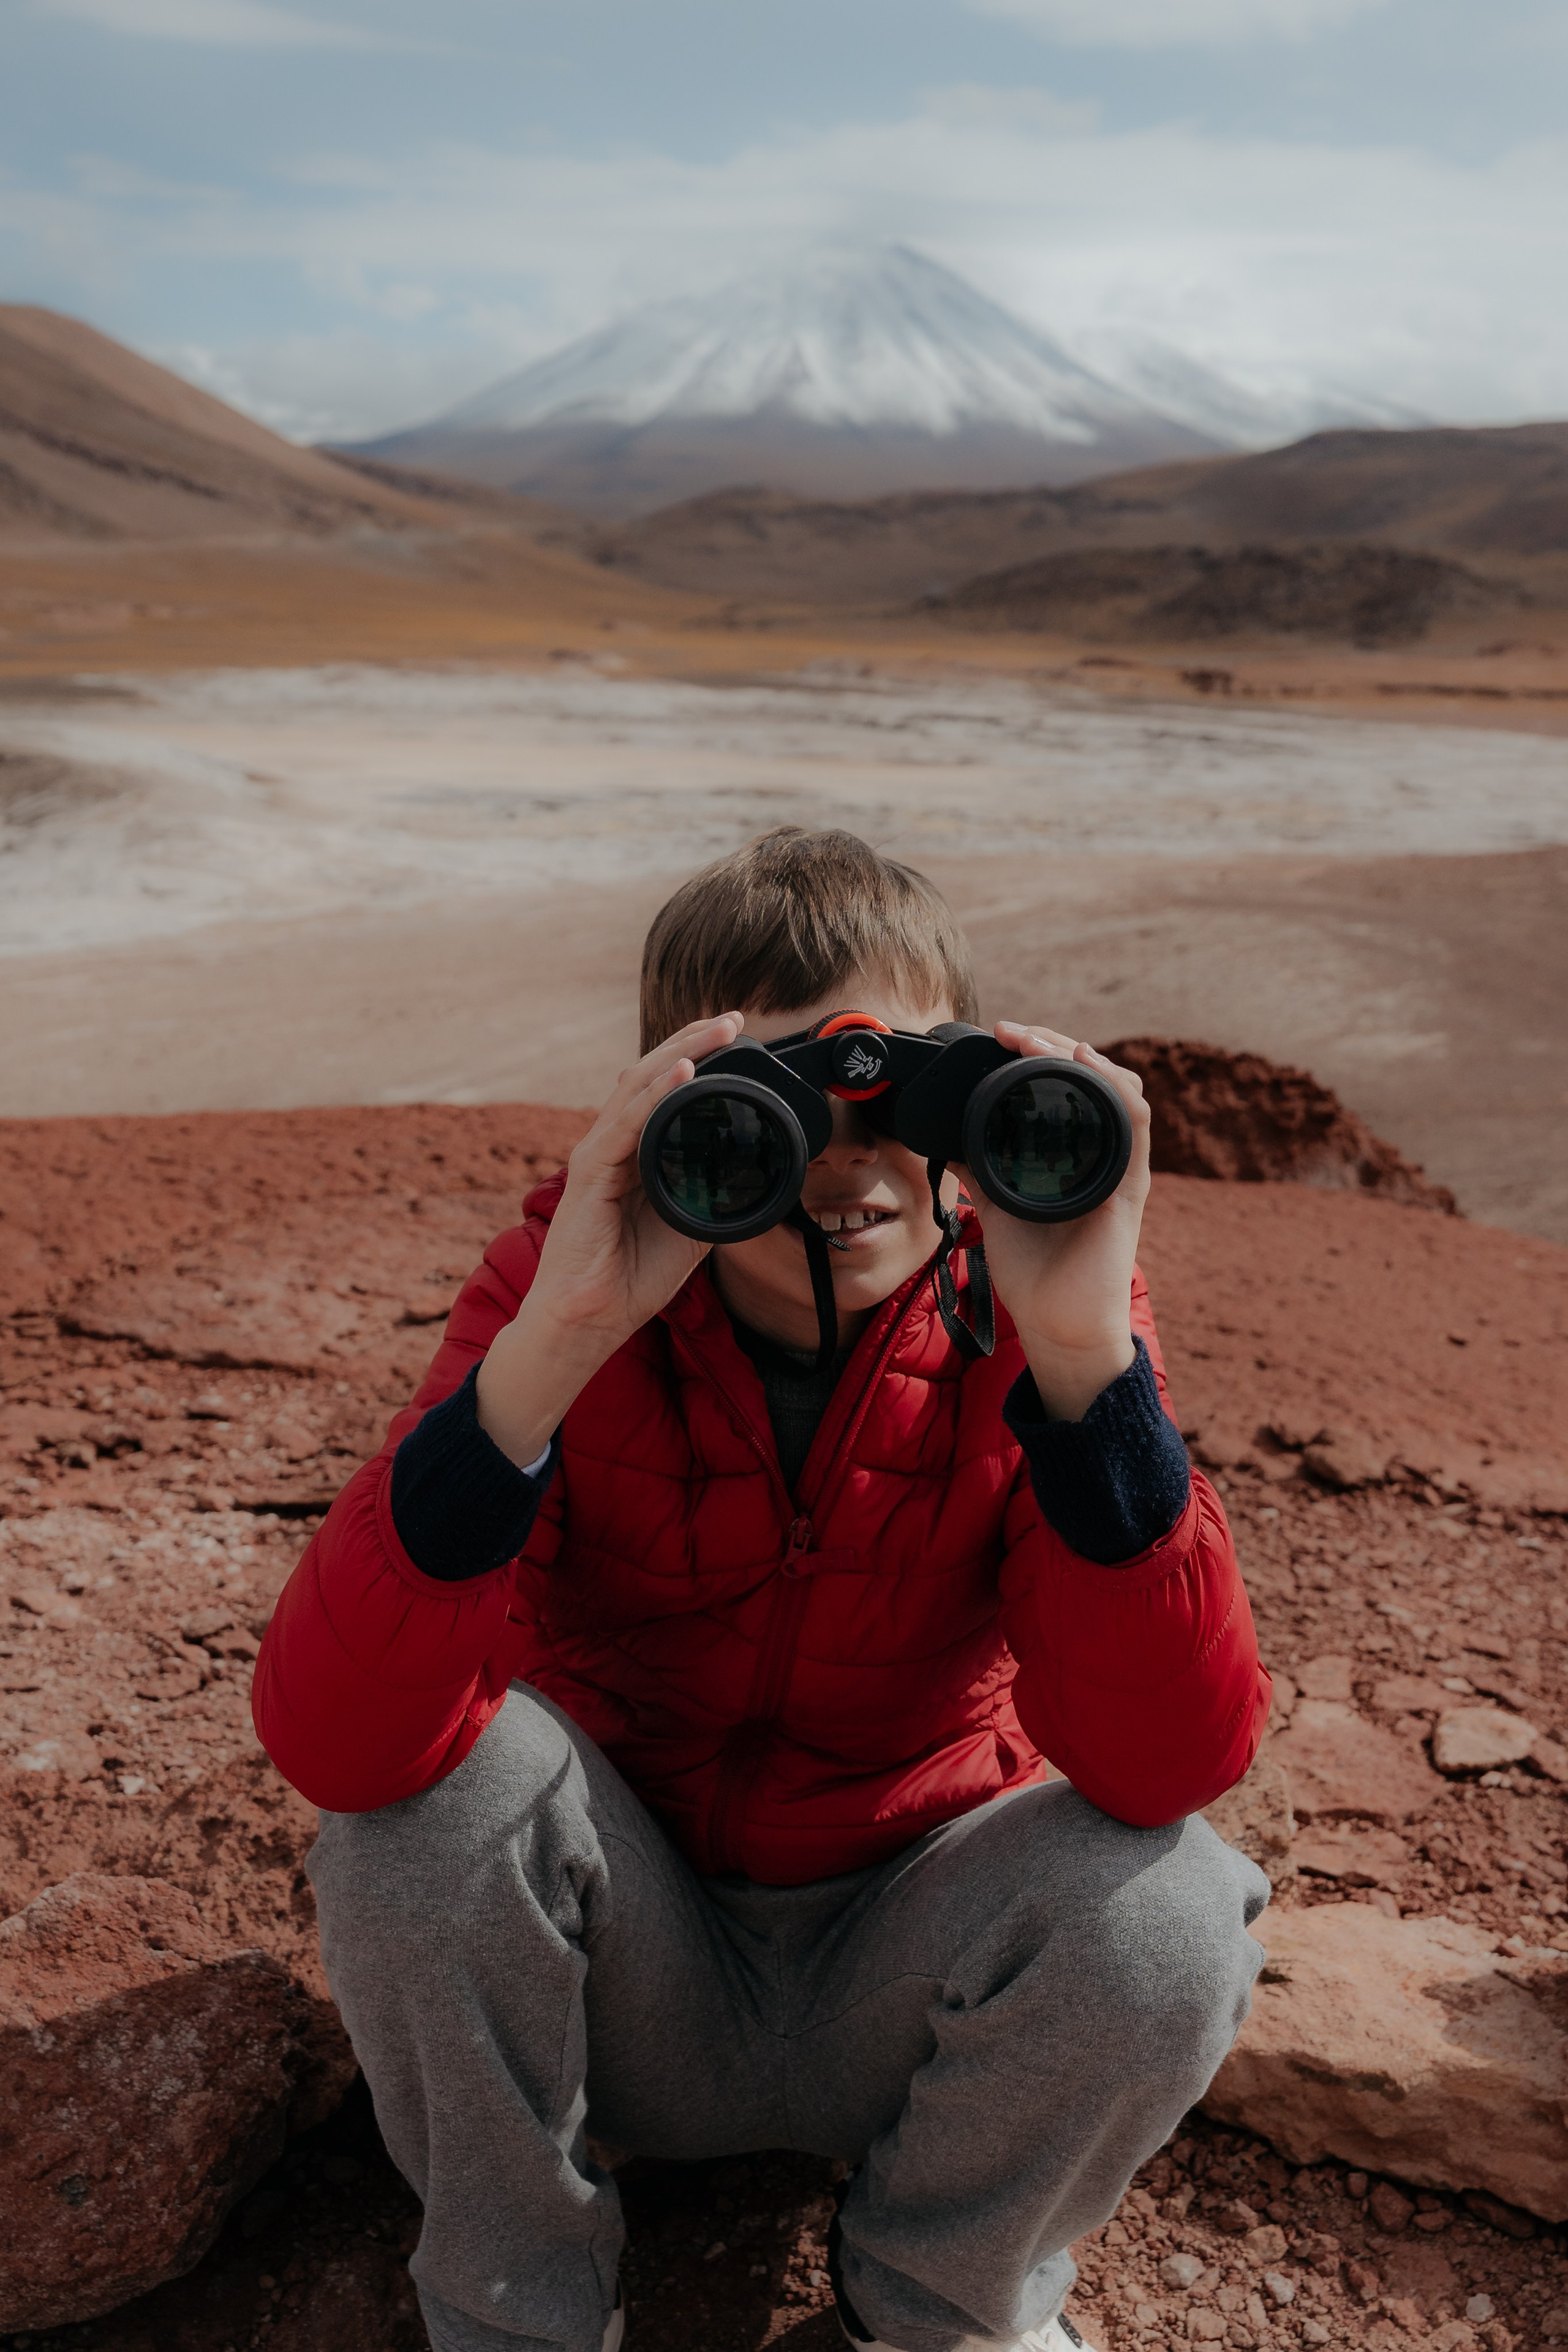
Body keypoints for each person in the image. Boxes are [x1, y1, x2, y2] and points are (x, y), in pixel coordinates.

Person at [255, 826, 1272, 2352]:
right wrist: (561, 1341)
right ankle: (515, 2312)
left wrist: (1081, 1368)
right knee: (427, 1812)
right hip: (622, 1980)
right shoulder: (560, 1292)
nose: (844, 1159)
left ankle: (935, 2304)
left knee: (1170, 1904)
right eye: (771, 1108)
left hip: (902, 1983)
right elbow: (339, 1746)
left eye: (899, 1090)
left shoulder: (1044, 1320)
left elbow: (1165, 1766)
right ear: (668, 1111)